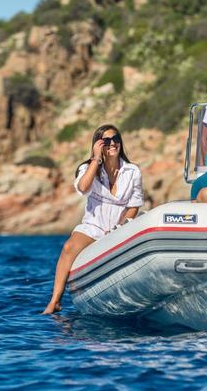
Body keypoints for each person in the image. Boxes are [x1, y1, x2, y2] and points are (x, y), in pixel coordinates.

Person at [42, 124, 143, 314]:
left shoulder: (132, 171)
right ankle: (55, 300)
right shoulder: (87, 168)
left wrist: (120, 227)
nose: (112, 143)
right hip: (93, 226)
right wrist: (96, 159)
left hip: (119, 227)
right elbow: (83, 188)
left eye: (116, 139)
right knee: (68, 248)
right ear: (98, 144)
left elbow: (134, 206)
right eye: (106, 141)